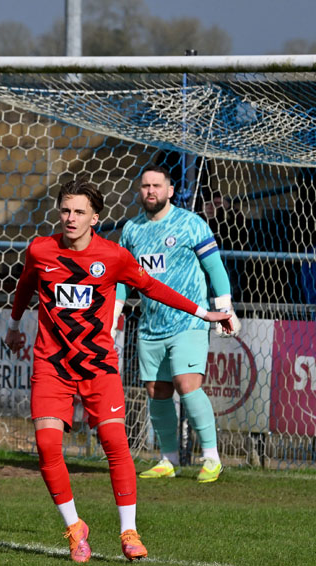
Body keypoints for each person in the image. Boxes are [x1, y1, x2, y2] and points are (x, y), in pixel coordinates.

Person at [4, 178, 232, 563]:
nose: (71, 218)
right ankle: (75, 528)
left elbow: (153, 287)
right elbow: (25, 286)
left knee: (114, 442)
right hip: (52, 364)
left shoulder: (113, 256)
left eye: (79, 212)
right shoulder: (41, 250)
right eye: (65, 210)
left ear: (95, 217)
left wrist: (203, 312)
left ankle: (129, 531)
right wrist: (13, 325)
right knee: (47, 446)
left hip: (98, 365)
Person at [115, 165, 241, 484]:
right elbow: (122, 279)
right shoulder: (131, 230)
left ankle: (211, 458)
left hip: (189, 322)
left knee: (187, 385)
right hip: (150, 325)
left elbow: (215, 267)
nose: (151, 191)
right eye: (145, 186)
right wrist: (114, 314)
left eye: (157, 185)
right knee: (156, 391)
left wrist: (224, 308)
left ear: (170, 190)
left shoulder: (190, 223)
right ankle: (168, 459)